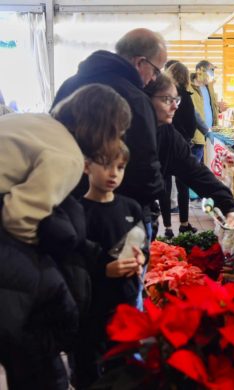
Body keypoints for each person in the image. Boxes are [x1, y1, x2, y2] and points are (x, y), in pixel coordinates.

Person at [0, 83, 131, 389]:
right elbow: (19, 217)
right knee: (37, 356)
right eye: (119, 132)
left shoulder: (39, 123)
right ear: (105, 129)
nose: (120, 140)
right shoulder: (68, 156)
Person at [52, 28, 168, 238]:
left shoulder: (68, 86)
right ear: (140, 62)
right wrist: (149, 203)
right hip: (121, 216)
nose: (153, 79)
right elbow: (145, 164)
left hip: (67, 206)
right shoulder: (137, 99)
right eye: (156, 70)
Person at [74, 141, 145, 389]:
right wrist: (103, 270)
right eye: (105, 165)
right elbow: (74, 260)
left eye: (120, 167)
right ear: (86, 166)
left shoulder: (131, 207)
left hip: (125, 303)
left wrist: (140, 259)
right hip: (91, 309)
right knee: (88, 371)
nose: (113, 173)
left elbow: (141, 245)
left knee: (124, 369)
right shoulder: (77, 212)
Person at [144, 73, 234, 230]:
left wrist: (228, 205)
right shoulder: (129, 130)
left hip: (145, 216)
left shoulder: (169, 134)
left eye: (177, 100)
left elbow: (196, 171)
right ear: (147, 100)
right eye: (167, 100)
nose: (175, 106)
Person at [165, 61, 203, 235]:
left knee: (164, 186)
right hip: (182, 146)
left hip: (164, 145)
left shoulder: (164, 95)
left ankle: (166, 227)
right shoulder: (186, 96)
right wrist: (187, 138)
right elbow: (191, 122)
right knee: (183, 187)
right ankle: (184, 223)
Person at [190, 60, 227, 165]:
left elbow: (208, 106)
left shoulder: (209, 86)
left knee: (204, 166)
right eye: (210, 71)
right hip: (196, 134)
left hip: (209, 131)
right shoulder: (189, 87)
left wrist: (219, 108)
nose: (212, 75)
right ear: (199, 71)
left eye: (212, 72)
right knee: (194, 165)